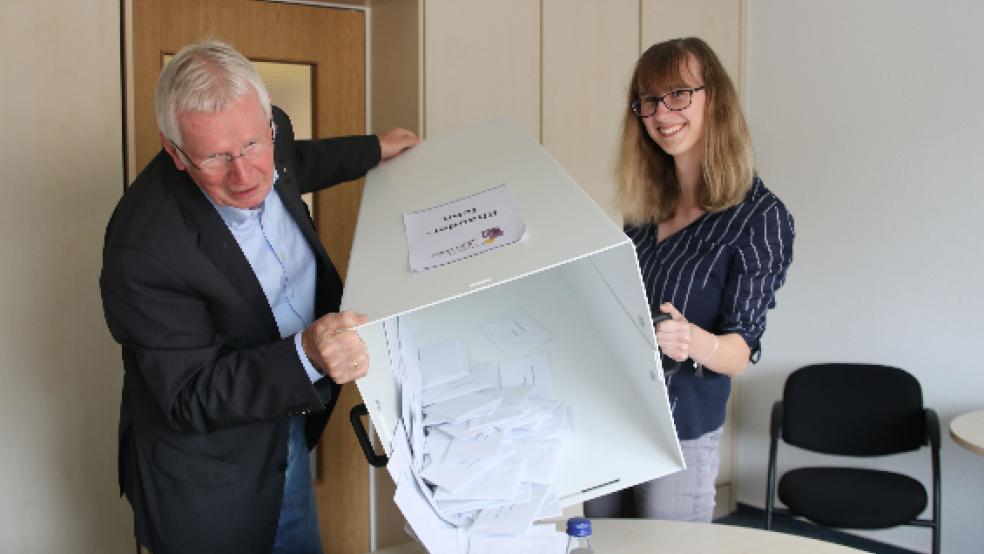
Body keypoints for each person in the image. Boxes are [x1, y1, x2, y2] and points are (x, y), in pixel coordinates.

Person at [100, 40, 419, 554]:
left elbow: (292, 162)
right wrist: (307, 354)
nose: (246, 176)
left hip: (284, 424)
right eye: (216, 158)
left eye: (252, 144)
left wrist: (371, 150)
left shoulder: (273, 133)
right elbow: (187, 396)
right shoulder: (144, 250)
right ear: (175, 152)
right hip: (209, 476)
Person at [583, 37, 795, 522]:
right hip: (614, 414)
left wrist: (691, 339)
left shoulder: (758, 217)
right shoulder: (644, 210)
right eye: (648, 101)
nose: (661, 113)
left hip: (682, 430)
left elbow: (740, 351)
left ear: (714, 99)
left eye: (679, 94)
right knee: (600, 543)